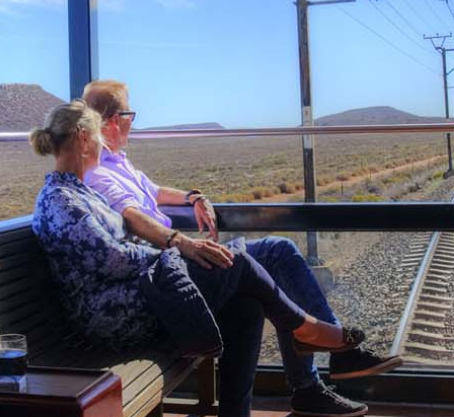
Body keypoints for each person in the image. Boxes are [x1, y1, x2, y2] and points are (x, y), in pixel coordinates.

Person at [80, 80, 404, 417]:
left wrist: (194, 196)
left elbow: (155, 191)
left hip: (172, 268)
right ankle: (327, 361)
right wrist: (182, 242)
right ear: (114, 120)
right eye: (130, 115)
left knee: (251, 299)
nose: (133, 123)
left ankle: (308, 383)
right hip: (165, 278)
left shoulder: (118, 162)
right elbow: (131, 216)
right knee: (276, 252)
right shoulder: (99, 173)